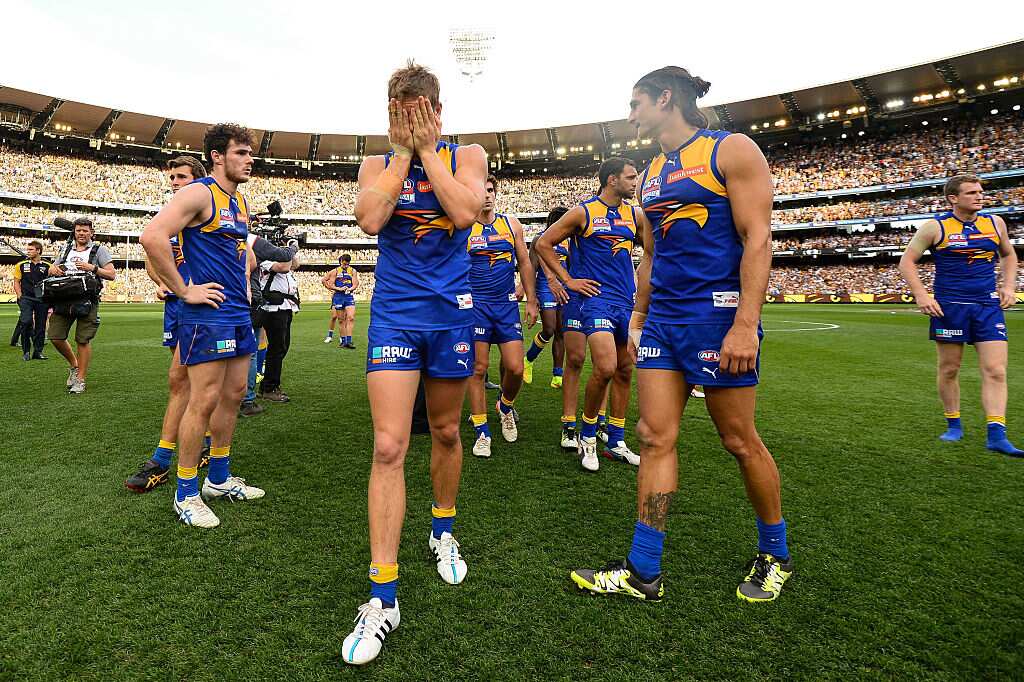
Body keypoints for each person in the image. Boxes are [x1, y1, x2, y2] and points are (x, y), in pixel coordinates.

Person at [570, 66, 793, 603]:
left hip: (717, 320)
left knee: (738, 440)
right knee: (653, 436)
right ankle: (643, 570)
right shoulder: (650, 172)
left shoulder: (730, 150)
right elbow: (651, 254)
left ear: (665, 98)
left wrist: (745, 323)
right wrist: (639, 318)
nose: (630, 115)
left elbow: (758, 238)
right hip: (663, 323)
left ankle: (776, 554)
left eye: (636, 103)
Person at [342, 61, 486, 666]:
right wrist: (403, 154)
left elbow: (465, 213)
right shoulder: (376, 164)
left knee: (448, 431)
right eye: (398, 114)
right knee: (388, 446)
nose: (407, 121)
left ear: (437, 112)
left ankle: (442, 529)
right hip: (395, 317)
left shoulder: (467, 155)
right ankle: (383, 595)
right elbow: (370, 219)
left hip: (451, 316)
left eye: (417, 112)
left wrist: (427, 151)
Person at [140, 123, 265, 529]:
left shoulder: (240, 201)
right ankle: (186, 492)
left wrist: (244, 287)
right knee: (203, 400)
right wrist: (183, 289)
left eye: (250, 153)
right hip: (207, 315)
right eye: (241, 152)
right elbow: (152, 236)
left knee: (234, 394)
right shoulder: (198, 193)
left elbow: (239, 253)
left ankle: (218, 479)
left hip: (236, 313)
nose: (249, 160)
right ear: (217, 156)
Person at [898, 174, 1022, 456]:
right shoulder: (935, 227)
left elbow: (1008, 255)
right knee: (949, 369)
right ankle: (953, 423)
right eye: (971, 193)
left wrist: (1008, 286)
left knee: (996, 370)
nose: (979, 196)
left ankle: (997, 434)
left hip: (987, 306)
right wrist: (922, 294)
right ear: (953, 198)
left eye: (980, 192)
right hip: (950, 307)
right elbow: (907, 261)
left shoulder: (995, 223)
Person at [536, 157, 642, 471]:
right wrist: (567, 280)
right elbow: (543, 243)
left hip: (625, 302)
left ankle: (617, 441)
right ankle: (587, 435)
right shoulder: (584, 212)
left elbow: (652, 251)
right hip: (594, 301)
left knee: (625, 370)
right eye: (630, 177)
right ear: (612, 180)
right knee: (605, 367)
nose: (635, 182)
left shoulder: (635, 215)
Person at [126, 156, 213, 492]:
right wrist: (162, 282)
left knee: (184, 379)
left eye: (181, 177)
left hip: (199, 305)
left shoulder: (206, 215)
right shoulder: (169, 216)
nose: (174, 182)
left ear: (198, 181)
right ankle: (204, 445)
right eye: (172, 177)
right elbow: (152, 258)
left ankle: (163, 460)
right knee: (184, 380)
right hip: (177, 305)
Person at [466, 175, 538, 458]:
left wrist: (531, 299)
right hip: (476, 306)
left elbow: (525, 262)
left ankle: (505, 406)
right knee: (478, 368)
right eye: (480, 191)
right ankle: (482, 431)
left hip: (506, 305)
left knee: (516, 368)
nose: (486, 195)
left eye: (490, 190)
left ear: (496, 194)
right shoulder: (464, 227)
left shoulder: (511, 224)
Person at [46, 218, 116, 394]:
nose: (82, 233)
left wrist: (92, 268)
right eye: (78, 230)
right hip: (64, 298)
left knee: (82, 340)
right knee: (55, 336)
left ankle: (80, 379)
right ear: (74, 232)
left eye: (85, 230)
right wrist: (53, 269)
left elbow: (111, 274)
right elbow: (52, 269)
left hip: (87, 299)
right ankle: (74, 364)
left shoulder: (99, 250)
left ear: (91, 232)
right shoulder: (66, 248)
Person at [524, 207, 570, 389]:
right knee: (549, 329)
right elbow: (531, 268)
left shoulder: (568, 242)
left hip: (564, 289)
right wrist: (531, 296)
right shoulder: (539, 240)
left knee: (561, 332)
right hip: (545, 287)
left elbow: (570, 267)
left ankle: (557, 375)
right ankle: (528, 359)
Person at [256, 252, 301, 402]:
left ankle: (268, 385)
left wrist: (290, 250)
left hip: (285, 306)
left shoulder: (283, 259)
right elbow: (283, 268)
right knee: (276, 348)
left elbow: (295, 264)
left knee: (282, 347)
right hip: (274, 308)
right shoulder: (265, 259)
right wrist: (288, 251)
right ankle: (269, 388)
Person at [12, 240, 51, 361]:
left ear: (38, 251)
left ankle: (38, 352)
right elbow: (16, 282)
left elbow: (51, 281)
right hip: (26, 298)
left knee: (40, 326)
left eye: (31, 249)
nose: (28, 252)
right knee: (26, 322)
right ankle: (26, 351)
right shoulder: (21, 265)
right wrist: (20, 296)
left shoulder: (48, 266)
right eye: (27, 249)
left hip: (42, 300)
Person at [323, 254, 360, 348]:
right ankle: (343, 342)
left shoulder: (353, 271)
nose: (345, 266)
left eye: (347, 264)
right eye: (344, 264)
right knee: (341, 320)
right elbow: (331, 284)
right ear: (340, 262)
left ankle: (349, 341)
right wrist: (338, 289)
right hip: (338, 297)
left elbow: (356, 283)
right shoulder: (335, 271)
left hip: (348, 296)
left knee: (351, 317)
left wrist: (350, 288)